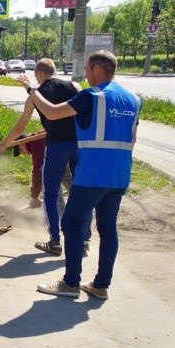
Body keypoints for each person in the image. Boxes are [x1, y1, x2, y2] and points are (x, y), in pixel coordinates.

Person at [19, 50, 142, 301]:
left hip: (93, 173)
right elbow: (132, 139)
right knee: (108, 229)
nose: (84, 73)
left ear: (97, 68)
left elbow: (52, 113)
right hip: (120, 175)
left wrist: (33, 91)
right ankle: (100, 285)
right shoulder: (133, 99)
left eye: (86, 69)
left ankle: (70, 283)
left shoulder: (92, 96)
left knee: (71, 224)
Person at [0, 58, 88, 252]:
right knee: (80, 191)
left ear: (38, 74)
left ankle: (55, 241)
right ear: (54, 71)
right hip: (79, 145)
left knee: (51, 195)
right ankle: (84, 238)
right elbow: (83, 113)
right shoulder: (75, 85)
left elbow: (20, 126)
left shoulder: (34, 96)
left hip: (56, 147)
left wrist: (5, 144)